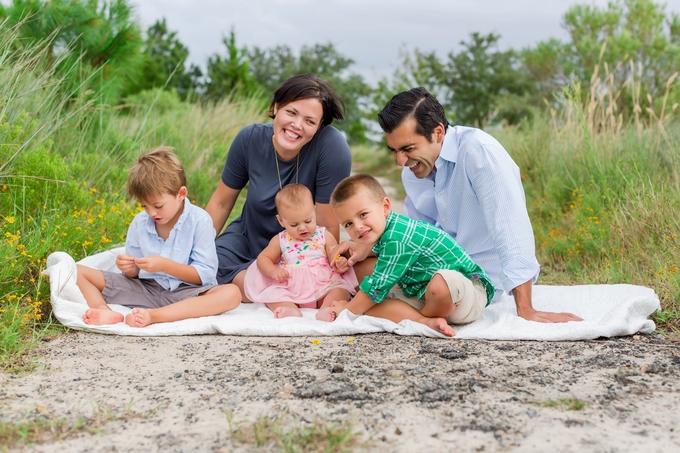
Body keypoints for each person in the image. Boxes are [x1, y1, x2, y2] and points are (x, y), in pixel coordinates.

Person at [336, 87, 582, 323]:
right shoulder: (412, 172)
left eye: (408, 149)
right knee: (357, 270)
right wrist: (367, 249)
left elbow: (509, 227)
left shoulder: (478, 152)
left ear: (438, 133)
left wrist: (526, 309)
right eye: (394, 150)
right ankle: (415, 314)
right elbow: (413, 239)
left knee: (437, 287)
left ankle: (408, 314)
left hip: (473, 280)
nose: (401, 161)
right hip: (428, 274)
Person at [205, 74, 352, 301]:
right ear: (275, 107)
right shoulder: (249, 139)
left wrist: (317, 268)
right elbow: (221, 202)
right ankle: (271, 289)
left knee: (336, 279)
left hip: (300, 245)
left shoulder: (331, 147)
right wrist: (196, 249)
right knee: (209, 262)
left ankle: (265, 289)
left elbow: (326, 223)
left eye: (309, 121)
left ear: (319, 126)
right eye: (291, 112)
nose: (297, 125)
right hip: (247, 237)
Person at [76, 147, 241, 328]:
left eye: (158, 205)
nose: (151, 212)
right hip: (146, 289)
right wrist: (129, 267)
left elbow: (205, 275)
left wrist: (164, 265)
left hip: (185, 293)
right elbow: (133, 275)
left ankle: (155, 316)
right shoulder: (140, 223)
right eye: (144, 206)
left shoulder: (200, 221)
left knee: (231, 293)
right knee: (77, 270)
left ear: (181, 194)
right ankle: (104, 310)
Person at [329, 174, 496, 337]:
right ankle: (425, 321)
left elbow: (376, 287)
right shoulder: (388, 236)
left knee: (441, 284)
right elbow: (373, 293)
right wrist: (355, 305)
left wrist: (347, 311)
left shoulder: (399, 237)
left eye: (363, 214)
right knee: (370, 304)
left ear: (385, 207)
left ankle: (418, 316)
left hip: (467, 295)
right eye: (348, 224)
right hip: (427, 297)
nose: (357, 227)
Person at [243, 184, 358, 321]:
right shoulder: (281, 239)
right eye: (294, 224)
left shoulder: (323, 235)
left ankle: (326, 308)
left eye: (308, 221)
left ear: (314, 211)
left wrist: (339, 262)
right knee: (272, 295)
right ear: (281, 221)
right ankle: (289, 308)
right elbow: (264, 258)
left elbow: (334, 254)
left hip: (323, 285)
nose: (302, 228)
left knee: (340, 290)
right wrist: (273, 270)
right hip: (291, 287)